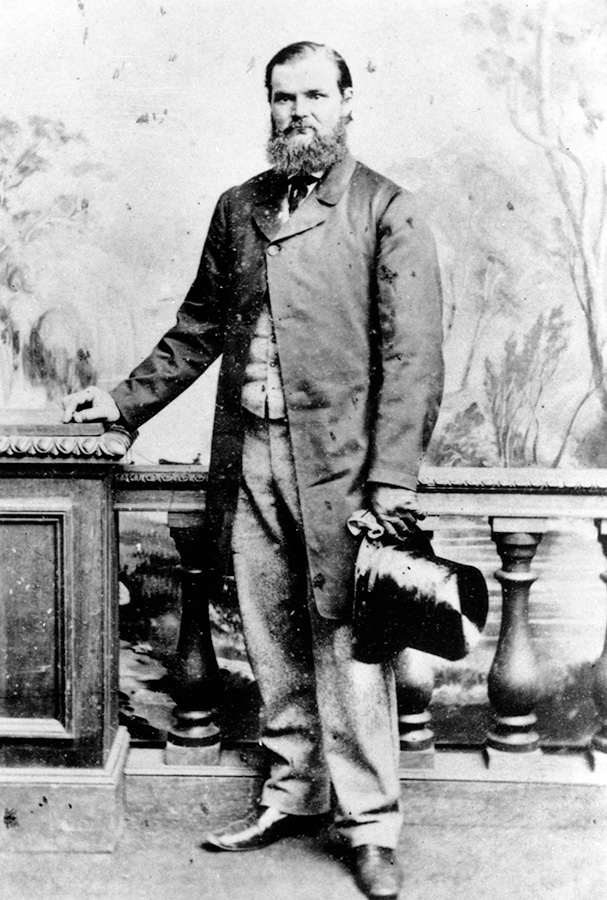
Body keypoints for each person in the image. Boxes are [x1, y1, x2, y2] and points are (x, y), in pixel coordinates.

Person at [63, 41, 444, 900]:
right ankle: (291, 794)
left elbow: (412, 359)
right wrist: (121, 401)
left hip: (343, 472)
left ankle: (370, 826)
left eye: (313, 95)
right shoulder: (240, 206)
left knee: (348, 645)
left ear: (347, 103)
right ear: (268, 106)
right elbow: (199, 327)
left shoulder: (386, 208)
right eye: (282, 97)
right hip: (252, 457)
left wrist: (390, 486)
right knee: (270, 632)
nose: (296, 112)